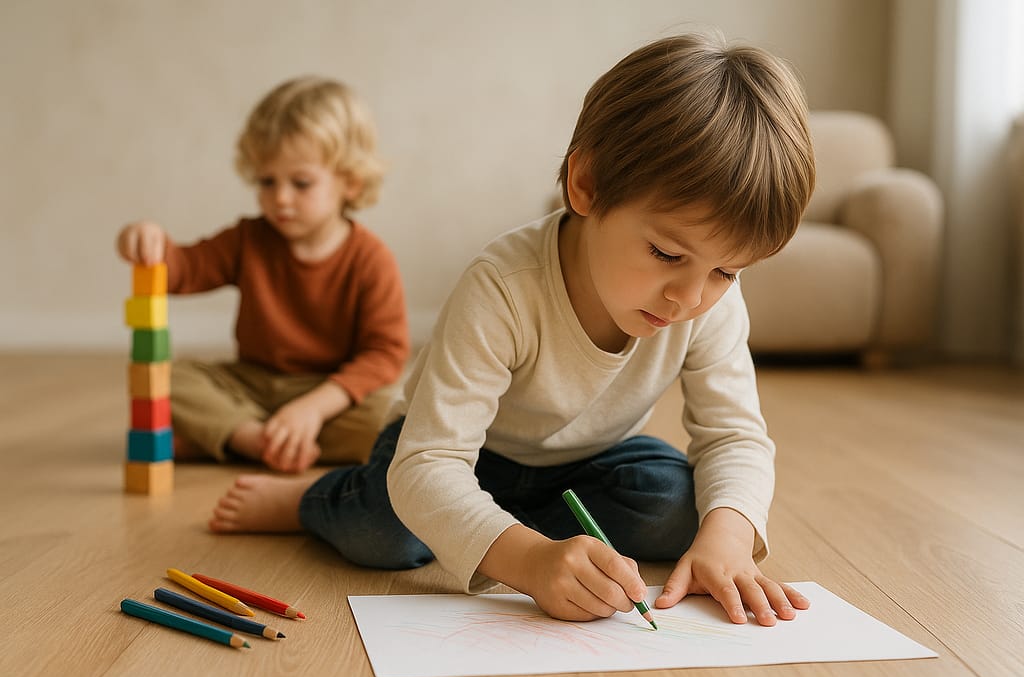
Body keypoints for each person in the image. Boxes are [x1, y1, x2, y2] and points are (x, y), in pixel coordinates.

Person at [208, 33, 816, 627]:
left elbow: (735, 436)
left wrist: (727, 541)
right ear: (586, 185)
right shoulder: (503, 285)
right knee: (385, 530)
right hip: (457, 455)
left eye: (727, 271)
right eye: (665, 254)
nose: (690, 297)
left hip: (586, 464)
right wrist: (528, 563)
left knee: (677, 508)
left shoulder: (707, 301)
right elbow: (430, 464)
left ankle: (501, 530)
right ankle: (318, 498)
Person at [116, 77, 409, 474]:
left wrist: (312, 409)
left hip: (327, 392)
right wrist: (147, 241)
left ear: (350, 183)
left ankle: (235, 438)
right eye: (267, 181)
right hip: (252, 385)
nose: (280, 198)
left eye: (300, 183)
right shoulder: (248, 239)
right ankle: (257, 440)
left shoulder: (371, 259)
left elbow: (384, 355)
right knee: (166, 379)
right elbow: (183, 270)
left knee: (390, 417)